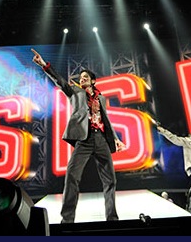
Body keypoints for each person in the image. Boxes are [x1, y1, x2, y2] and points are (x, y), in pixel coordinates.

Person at [31, 48, 126, 223]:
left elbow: (106, 120)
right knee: (72, 176)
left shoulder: (101, 98)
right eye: (80, 78)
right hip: (85, 139)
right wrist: (44, 65)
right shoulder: (76, 92)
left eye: (85, 78)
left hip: (102, 140)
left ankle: (112, 218)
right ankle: (67, 219)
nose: (81, 79)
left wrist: (116, 139)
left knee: (110, 180)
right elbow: (60, 82)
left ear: (93, 81)